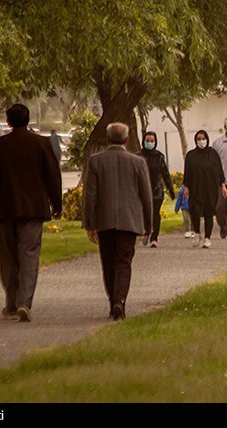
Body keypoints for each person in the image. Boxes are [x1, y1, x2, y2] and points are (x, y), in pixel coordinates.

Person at [0, 103, 62, 323]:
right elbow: (52, 175)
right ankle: (24, 302)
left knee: (8, 258)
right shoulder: (41, 143)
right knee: (29, 256)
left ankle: (11, 303)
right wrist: (57, 204)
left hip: (5, 208)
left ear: (8, 121)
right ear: (28, 120)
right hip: (33, 209)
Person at [82, 122, 152, 321]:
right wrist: (149, 222)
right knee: (123, 261)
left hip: (104, 221)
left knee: (108, 262)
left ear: (107, 138)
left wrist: (90, 223)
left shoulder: (96, 161)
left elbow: (90, 195)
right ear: (127, 140)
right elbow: (146, 195)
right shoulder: (138, 162)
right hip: (129, 221)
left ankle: (113, 299)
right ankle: (119, 300)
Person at [184, 130, 227, 248]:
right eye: (199, 139)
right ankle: (197, 233)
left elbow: (219, 170)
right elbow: (187, 172)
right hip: (195, 188)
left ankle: (207, 237)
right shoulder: (191, 155)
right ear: (195, 140)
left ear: (207, 139)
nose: (201, 141)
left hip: (210, 188)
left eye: (203, 139)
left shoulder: (213, 154)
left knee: (209, 212)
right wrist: (186, 187)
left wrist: (222, 185)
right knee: (195, 211)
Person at [139, 131, 175, 248]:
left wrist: (170, 190)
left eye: (152, 141)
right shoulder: (138, 157)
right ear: (144, 141)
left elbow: (165, 174)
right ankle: (146, 231)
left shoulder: (159, 157)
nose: (149, 143)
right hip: (141, 190)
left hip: (156, 190)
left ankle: (154, 238)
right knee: (144, 213)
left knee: (155, 213)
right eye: (147, 141)